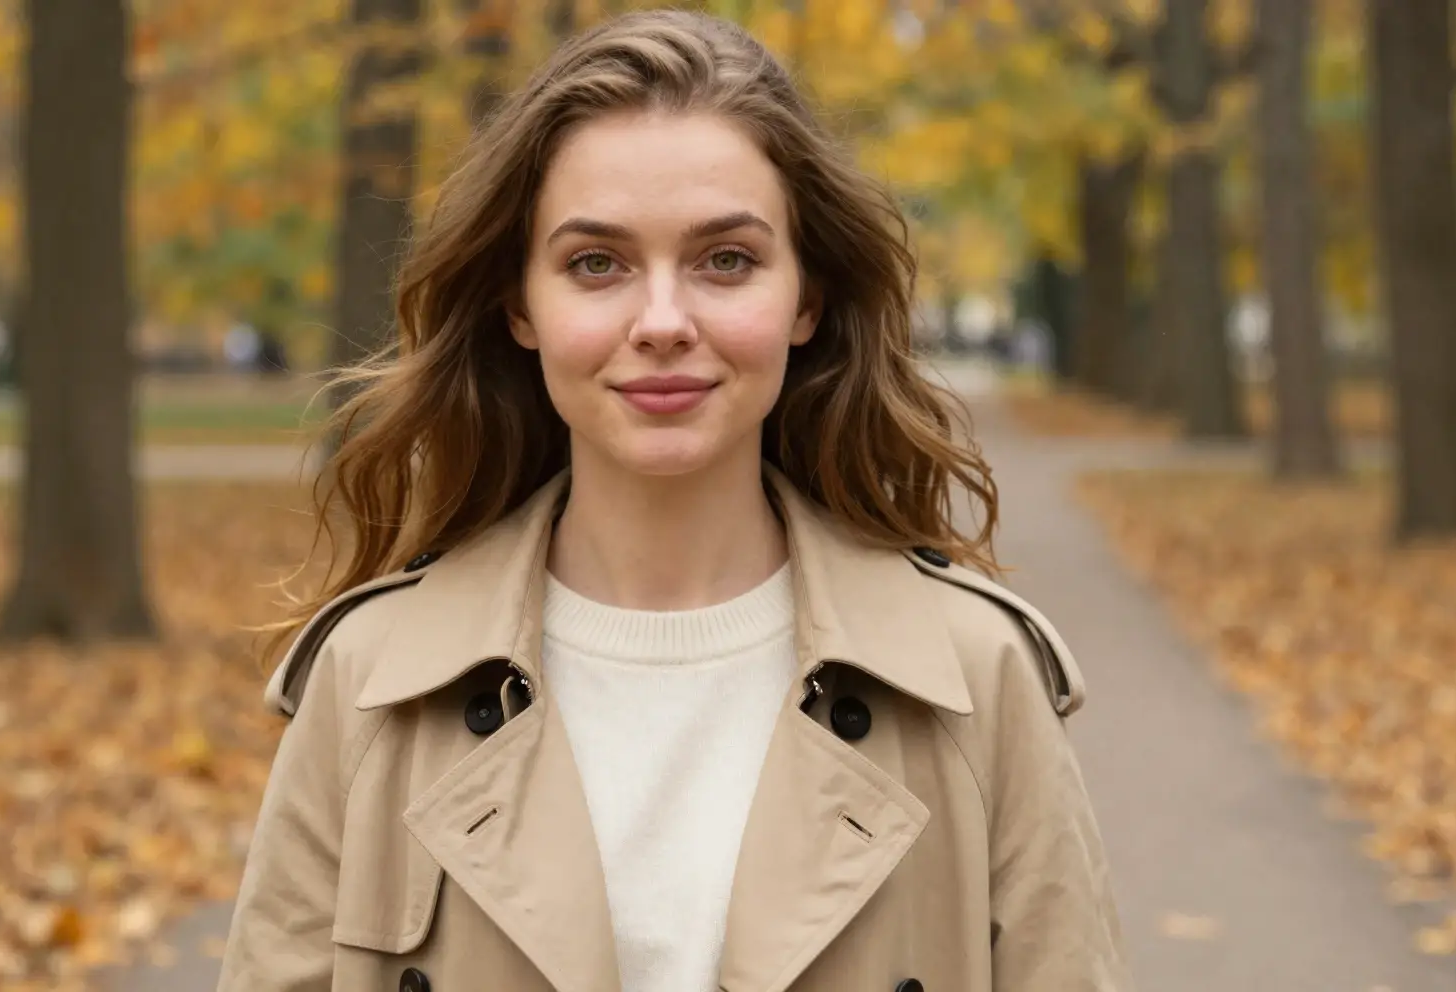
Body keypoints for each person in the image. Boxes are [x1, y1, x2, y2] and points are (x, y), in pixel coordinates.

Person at [220, 10, 1131, 991]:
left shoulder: (975, 680)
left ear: (805, 299)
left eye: (726, 260)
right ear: (520, 306)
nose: (662, 322)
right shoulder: (370, 685)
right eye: (596, 263)